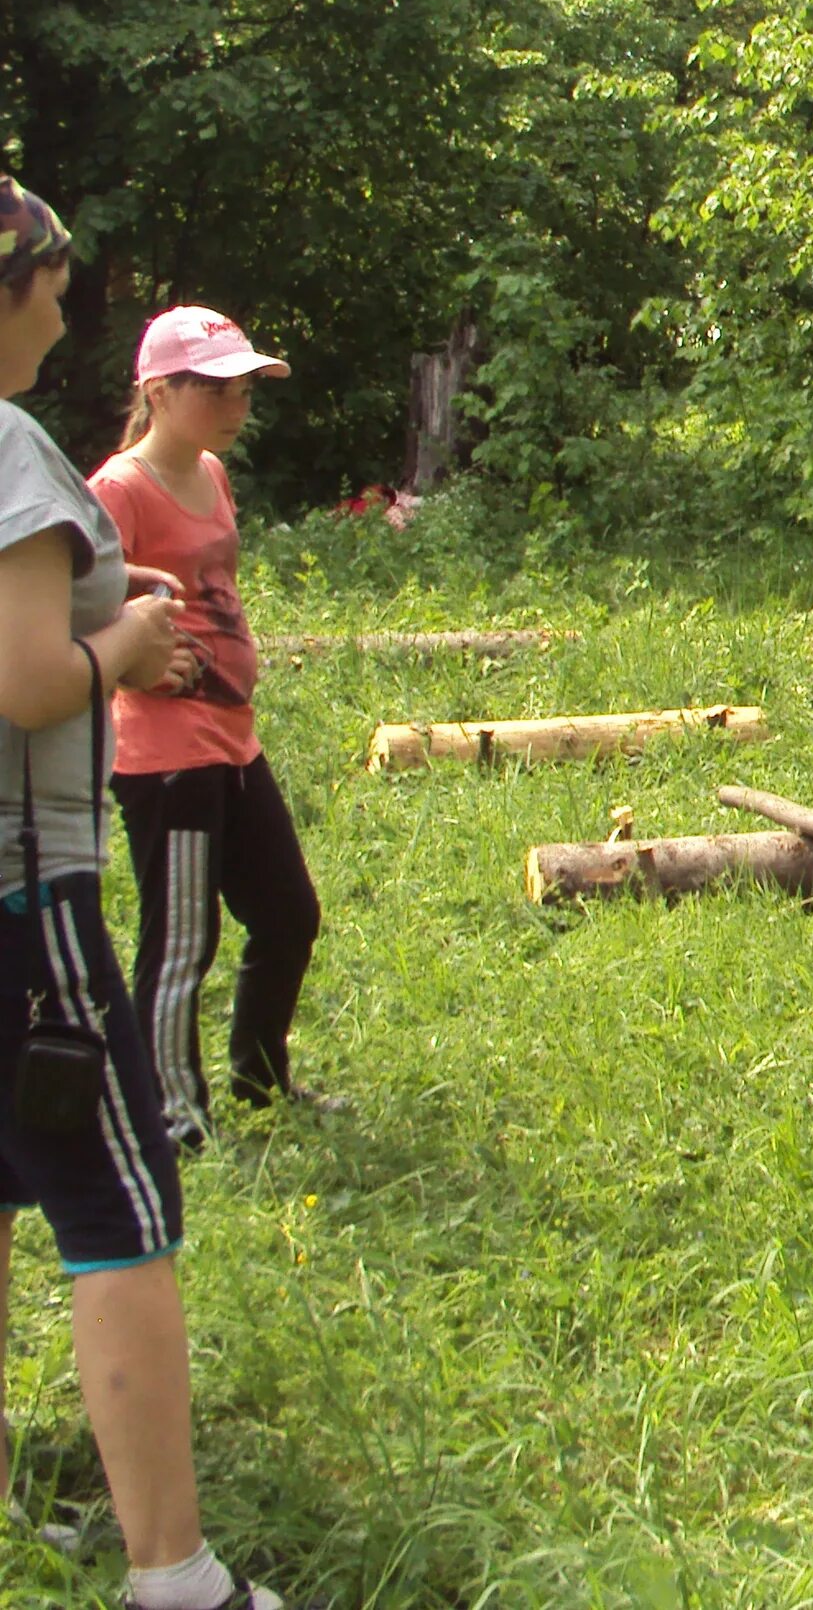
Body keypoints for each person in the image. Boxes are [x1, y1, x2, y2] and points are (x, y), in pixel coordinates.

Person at [0, 178, 303, 1610]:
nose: (65, 306)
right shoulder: (15, 453)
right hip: (28, 892)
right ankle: (174, 1572)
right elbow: (31, 679)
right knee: (124, 1204)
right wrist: (122, 637)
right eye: (50, 283)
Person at [90, 308, 335, 1153]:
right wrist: (134, 663)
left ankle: (261, 1079)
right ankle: (170, 1116)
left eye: (244, 388)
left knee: (288, 913)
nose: (239, 405)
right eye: (218, 388)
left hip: (232, 737)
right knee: (182, 942)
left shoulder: (211, 474)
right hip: (167, 756)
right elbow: (78, 601)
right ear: (160, 391)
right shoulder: (118, 489)